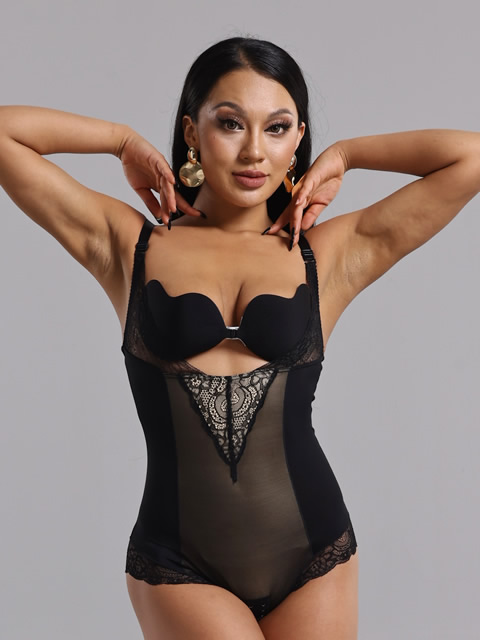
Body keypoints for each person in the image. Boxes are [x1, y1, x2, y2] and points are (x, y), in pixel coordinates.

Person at [0, 36, 478, 640]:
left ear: (297, 140)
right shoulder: (131, 244)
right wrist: (120, 140)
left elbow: (470, 158)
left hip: (316, 552)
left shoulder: (326, 255)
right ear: (192, 132)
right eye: (230, 123)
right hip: (178, 563)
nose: (255, 151)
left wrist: (348, 154)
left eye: (277, 128)